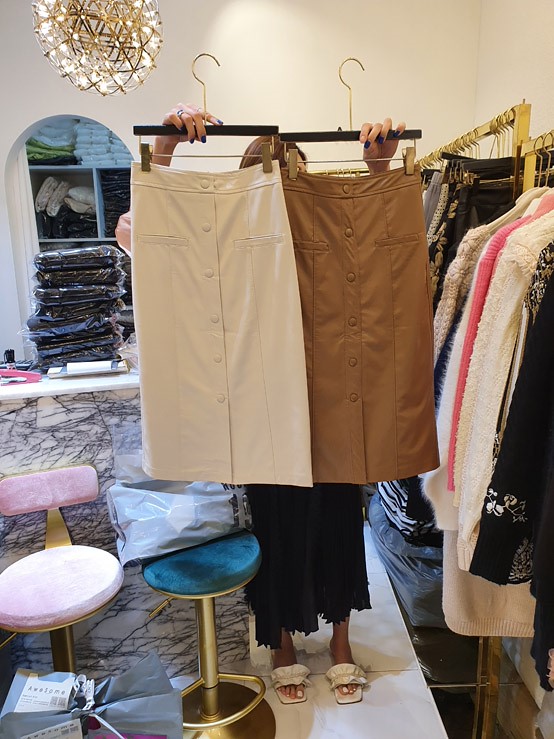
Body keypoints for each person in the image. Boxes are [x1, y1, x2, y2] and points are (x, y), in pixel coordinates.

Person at [116, 102, 406, 704]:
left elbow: (380, 252)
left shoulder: (322, 230)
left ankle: (341, 642)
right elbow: (153, 243)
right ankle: (280, 642)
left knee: (338, 523)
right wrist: (164, 150)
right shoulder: (228, 236)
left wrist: (379, 168)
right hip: (261, 406)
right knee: (276, 527)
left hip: (327, 405)